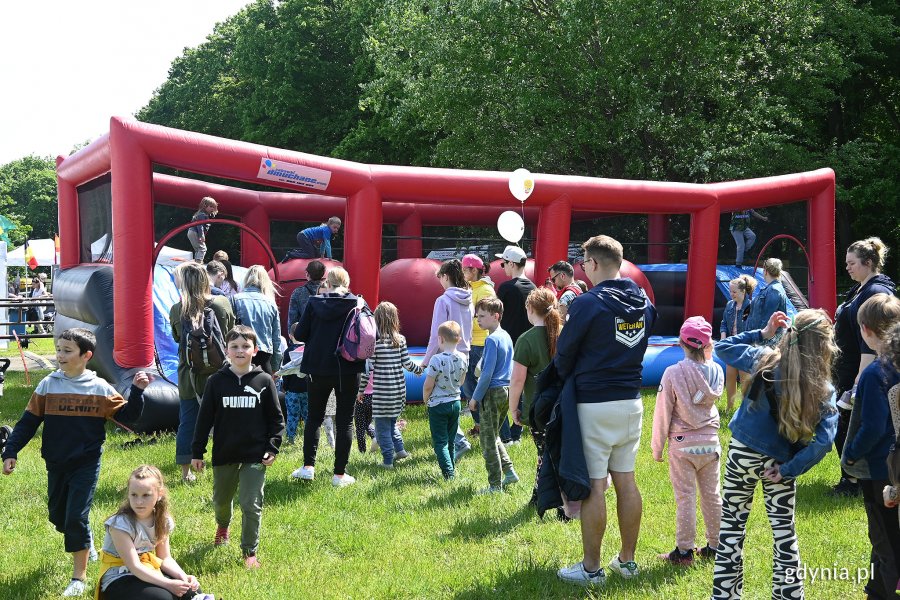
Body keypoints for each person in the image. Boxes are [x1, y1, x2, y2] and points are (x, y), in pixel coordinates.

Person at [1, 328, 149, 597]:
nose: (60, 355)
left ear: (86, 355)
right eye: (58, 349)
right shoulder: (48, 385)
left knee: (75, 517)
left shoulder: (99, 388)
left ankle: (78, 578)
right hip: (56, 462)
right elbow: (27, 423)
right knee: (58, 516)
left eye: (67, 351)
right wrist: (11, 450)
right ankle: (85, 539)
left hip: (86, 462)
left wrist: (137, 391)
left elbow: (129, 417)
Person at [712, 310, 838, 599]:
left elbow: (721, 347)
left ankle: (725, 595)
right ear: (824, 345)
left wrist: (763, 333)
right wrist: (789, 469)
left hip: (742, 454)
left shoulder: (763, 359)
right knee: (784, 532)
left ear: (790, 335)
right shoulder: (824, 387)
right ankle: (789, 594)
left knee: (731, 526)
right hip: (779, 463)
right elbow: (824, 442)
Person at [555, 235, 657, 587]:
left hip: (594, 403)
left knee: (595, 487)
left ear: (594, 264)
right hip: (631, 400)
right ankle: (627, 562)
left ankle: (591, 568)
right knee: (626, 481)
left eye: (584, 263)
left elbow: (563, 354)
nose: (583, 268)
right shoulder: (643, 300)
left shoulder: (587, 303)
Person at [191, 325, 284, 569]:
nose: (240, 350)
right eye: (235, 346)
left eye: (245, 346)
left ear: (254, 350)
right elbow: (204, 420)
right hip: (225, 453)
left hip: (255, 455)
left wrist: (272, 448)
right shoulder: (216, 382)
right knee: (221, 500)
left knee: (250, 503)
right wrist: (197, 452)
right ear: (227, 351)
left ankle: (249, 552)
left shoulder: (264, 380)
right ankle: (223, 525)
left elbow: (276, 419)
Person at [840, 294, 900, 598]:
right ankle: (877, 588)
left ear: (865, 330)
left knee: (886, 538)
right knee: (887, 534)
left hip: (880, 469)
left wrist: (850, 455)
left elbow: (873, 427)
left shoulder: (876, 373)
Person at [651, 316, 724, 565]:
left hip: (683, 444)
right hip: (711, 443)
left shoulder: (673, 373)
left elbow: (663, 412)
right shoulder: (717, 370)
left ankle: (684, 552)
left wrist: (657, 446)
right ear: (707, 344)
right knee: (712, 495)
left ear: (681, 342)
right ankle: (715, 545)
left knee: (685, 497)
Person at [290, 267, 367, 487]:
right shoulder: (357, 302)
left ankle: (308, 467)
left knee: (314, 417)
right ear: (347, 282)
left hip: (318, 367)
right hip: (349, 369)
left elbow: (301, 334)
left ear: (328, 282)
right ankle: (339, 475)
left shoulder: (314, 302)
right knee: (344, 422)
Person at [832, 237, 895, 497]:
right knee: (842, 422)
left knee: (850, 422)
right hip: (849, 368)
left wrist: (861, 379)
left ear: (868, 263)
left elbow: (872, 339)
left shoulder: (876, 292)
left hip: (861, 369)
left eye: (852, 263)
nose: (847, 267)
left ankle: (855, 479)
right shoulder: (861, 288)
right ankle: (853, 477)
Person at [96, 465, 213, 600]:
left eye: (146, 495)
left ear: (159, 495)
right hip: (119, 577)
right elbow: (134, 566)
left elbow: (165, 558)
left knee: (191, 591)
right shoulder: (120, 524)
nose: (139, 501)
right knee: (163, 597)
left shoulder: (162, 520)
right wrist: (168, 584)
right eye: (134, 495)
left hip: (147, 569)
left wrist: (183, 577)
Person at [169, 262, 234, 483]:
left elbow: (178, 339)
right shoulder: (222, 303)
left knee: (188, 421)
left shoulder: (177, 309)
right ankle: (224, 463)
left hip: (189, 376)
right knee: (224, 420)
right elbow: (229, 334)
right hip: (221, 374)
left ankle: (187, 473)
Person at [507, 287, 561, 506]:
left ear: (530, 309)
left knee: (544, 453)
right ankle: (558, 497)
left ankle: (543, 497)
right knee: (558, 452)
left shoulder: (525, 340)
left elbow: (517, 380)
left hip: (538, 409)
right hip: (565, 406)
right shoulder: (564, 333)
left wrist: (513, 409)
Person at [421, 259, 474, 459]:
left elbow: (436, 336)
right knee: (453, 397)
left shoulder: (443, 300)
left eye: (440, 278)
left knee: (440, 402)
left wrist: (425, 361)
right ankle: (455, 441)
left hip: (445, 355)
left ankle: (458, 441)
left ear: (446, 276)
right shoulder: (469, 299)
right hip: (464, 354)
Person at [360, 302, 424, 469]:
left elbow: (368, 370)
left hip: (382, 393)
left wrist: (360, 390)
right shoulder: (400, 340)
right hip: (399, 391)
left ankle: (388, 460)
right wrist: (420, 371)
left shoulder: (375, 342)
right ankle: (400, 450)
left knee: (382, 428)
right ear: (394, 319)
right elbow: (408, 364)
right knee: (391, 423)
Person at [468, 297, 518, 493]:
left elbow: (486, 373)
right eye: (477, 316)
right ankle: (509, 471)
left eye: (482, 316)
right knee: (494, 434)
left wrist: (475, 397)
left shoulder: (491, 339)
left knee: (487, 440)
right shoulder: (505, 335)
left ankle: (494, 485)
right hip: (506, 390)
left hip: (492, 391)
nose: (478, 320)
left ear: (496, 316)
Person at [495, 245, 536, 444]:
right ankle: (518, 430)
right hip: (530, 343)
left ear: (511, 263)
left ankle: (510, 432)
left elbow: (495, 315)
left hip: (508, 344)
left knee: (508, 388)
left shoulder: (505, 288)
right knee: (525, 387)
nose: (502, 267)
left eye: (503, 263)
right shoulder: (534, 287)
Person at [423, 321, 468, 479]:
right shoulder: (463, 357)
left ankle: (449, 473)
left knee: (440, 441)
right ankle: (452, 468)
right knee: (450, 439)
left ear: (440, 339)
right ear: (459, 340)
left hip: (438, 405)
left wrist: (425, 399)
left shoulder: (436, 359)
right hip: (455, 403)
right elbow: (462, 381)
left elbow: (428, 385)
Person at [461, 253, 495, 437]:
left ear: (474, 270)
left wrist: (461, 322)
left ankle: (484, 425)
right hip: (470, 342)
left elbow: (486, 319)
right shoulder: (471, 288)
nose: (463, 272)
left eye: (465, 269)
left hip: (480, 344)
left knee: (473, 386)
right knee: (468, 386)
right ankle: (480, 424)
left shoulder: (485, 291)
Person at [231, 266, 282, 375]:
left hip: (240, 352)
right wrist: (275, 365)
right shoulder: (271, 303)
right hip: (264, 354)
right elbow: (276, 337)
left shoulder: (235, 299)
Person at [720, 274, 756, 412]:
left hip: (745, 347)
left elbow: (753, 328)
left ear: (743, 291)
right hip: (731, 345)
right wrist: (724, 337)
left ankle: (746, 408)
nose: (731, 294)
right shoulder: (730, 305)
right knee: (730, 376)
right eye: (730, 291)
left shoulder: (751, 306)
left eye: (734, 292)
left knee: (745, 378)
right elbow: (724, 323)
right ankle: (730, 406)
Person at [744, 257, 789, 346]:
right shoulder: (770, 289)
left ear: (765, 271)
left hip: (765, 343)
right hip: (760, 339)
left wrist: (757, 340)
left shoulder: (774, 290)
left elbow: (768, 319)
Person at [287, 260, 327, 329]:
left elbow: (292, 320)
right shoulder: (329, 292)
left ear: (307, 273)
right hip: (323, 334)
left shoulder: (298, 292)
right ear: (323, 274)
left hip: (305, 336)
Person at [187, 197, 218, 262]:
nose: (212, 209)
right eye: (211, 206)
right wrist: (201, 235)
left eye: (213, 207)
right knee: (203, 248)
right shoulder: (202, 215)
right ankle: (198, 262)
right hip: (195, 232)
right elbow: (200, 225)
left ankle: (196, 262)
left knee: (198, 249)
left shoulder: (201, 214)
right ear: (205, 206)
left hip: (192, 232)